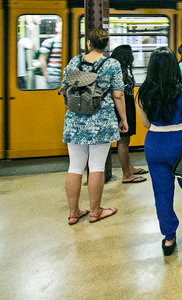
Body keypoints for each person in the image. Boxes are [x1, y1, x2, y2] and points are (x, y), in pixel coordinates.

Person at [136, 47, 182, 255]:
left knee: (162, 193)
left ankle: (169, 238)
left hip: (154, 144)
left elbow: (146, 124)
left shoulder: (143, 92)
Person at [62, 27, 127, 225]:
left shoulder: (74, 61)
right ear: (106, 46)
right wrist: (123, 119)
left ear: (88, 43)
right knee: (96, 166)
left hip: (74, 120)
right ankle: (95, 211)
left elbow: (64, 88)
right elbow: (118, 94)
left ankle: (74, 213)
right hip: (101, 120)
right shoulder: (112, 64)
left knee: (75, 166)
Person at [109, 45, 148, 184]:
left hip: (127, 106)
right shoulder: (121, 71)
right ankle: (126, 174)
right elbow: (119, 94)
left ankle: (130, 168)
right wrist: (123, 117)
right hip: (123, 108)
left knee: (126, 140)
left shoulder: (123, 69)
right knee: (123, 141)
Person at [39, 21, 63, 89]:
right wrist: (45, 74)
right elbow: (42, 58)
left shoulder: (73, 42)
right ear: (56, 29)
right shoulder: (49, 42)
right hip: (54, 76)